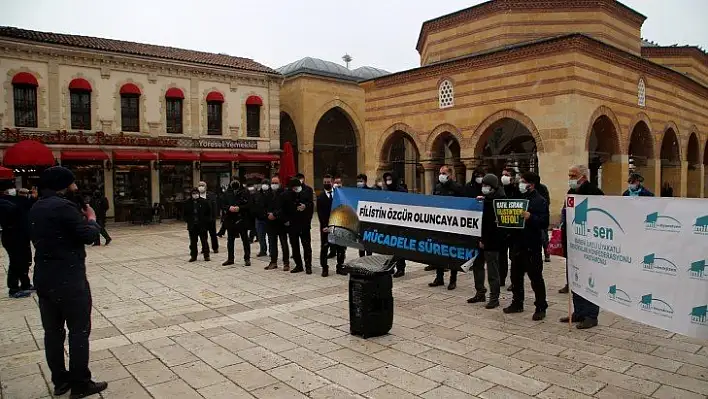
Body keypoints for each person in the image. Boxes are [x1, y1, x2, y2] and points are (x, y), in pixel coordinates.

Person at [29, 166, 107, 398]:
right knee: (78, 331)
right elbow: (89, 235)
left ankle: (60, 381)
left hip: (44, 276)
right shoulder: (64, 207)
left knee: (52, 332)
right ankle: (81, 383)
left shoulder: (36, 207)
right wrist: (92, 219)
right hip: (69, 277)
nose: (76, 187)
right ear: (64, 185)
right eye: (73, 183)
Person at [560, 164, 603, 329]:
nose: (570, 178)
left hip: (588, 243)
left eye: (573, 175)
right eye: (569, 175)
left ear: (583, 176)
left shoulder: (594, 193)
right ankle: (578, 312)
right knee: (575, 279)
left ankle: (591, 315)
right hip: (573, 242)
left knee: (589, 281)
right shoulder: (572, 193)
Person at [503, 171, 549, 321]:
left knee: (535, 277)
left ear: (531, 184)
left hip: (531, 245)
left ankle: (541, 306)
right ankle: (517, 302)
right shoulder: (519, 197)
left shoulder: (539, 200)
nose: (520, 184)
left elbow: (544, 222)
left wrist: (531, 217)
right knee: (515, 276)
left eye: (523, 181)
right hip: (517, 243)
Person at [467, 174, 504, 308]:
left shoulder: (499, 201)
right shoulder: (487, 199)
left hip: (492, 241)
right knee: (478, 266)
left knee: (492, 269)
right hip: (480, 239)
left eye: (486, 186)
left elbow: (493, 225)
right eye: (483, 185)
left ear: (493, 187)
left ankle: (494, 297)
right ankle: (480, 292)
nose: (484, 188)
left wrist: (485, 240)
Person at [428, 165, 465, 289]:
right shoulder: (438, 187)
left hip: (452, 226)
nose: (441, 175)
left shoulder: (457, 188)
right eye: (440, 173)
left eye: (443, 173)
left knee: (452, 253)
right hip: (439, 225)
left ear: (450, 174)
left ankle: (453, 280)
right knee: (438, 251)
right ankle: (439, 278)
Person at [0, 181, 34, 298]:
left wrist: (27, 197)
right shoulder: (4, 203)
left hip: (22, 235)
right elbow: (14, 210)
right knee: (16, 262)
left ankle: (25, 284)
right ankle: (13, 288)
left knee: (24, 260)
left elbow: (26, 206)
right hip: (12, 236)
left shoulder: (15, 200)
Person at [283, 178, 314, 274]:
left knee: (306, 246)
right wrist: (286, 220)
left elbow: (311, 205)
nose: (295, 189)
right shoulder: (286, 194)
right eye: (293, 188)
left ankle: (308, 266)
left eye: (297, 187)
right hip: (292, 225)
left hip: (304, 224)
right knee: (294, 246)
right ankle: (299, 265)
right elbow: (283, 208)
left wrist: (305, 207)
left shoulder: (307, 192)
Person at [317, 175, 345, 277]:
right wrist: (325, 226)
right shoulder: (320, 197)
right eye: (324, 182)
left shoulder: (339, 195)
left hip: (338, 225)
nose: (326, 184)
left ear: (332, 182)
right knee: (324, 248)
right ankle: (325, 268)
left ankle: (340, 266)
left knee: (340, 247)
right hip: (326, 227)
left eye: (328, 182)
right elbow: (320, 214)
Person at [383, 171, 408, 277]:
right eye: (386, 179)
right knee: (390, 246)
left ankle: (401, 268)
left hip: (399, 223)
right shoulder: (385, 191)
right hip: (389, 223)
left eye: (390, 179)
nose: (388, 181)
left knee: (399, 246)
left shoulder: (401, 191)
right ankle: (391, 266)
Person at [221, 179, 251, 266]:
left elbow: (249, 205)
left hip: (241, 219)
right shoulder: (227, 193)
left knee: (245, 240)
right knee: (230, 240)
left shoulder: (245, 192)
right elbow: (223, 205)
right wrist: (228, 208)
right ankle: (230, 259)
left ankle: (247, 258)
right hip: (230, 219)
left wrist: (240, 208)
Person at [264, 176, 290, 271]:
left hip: (281, 222)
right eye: (273, 183)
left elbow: (285, 208)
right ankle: (273, 261)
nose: (274, 185)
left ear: (280, 183)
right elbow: (264, 206)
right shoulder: (268, 194)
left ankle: (286, 263)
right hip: (270, 223)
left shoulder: (284, 193)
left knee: (284, 243)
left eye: (276, 183)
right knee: (272, 243)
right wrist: (267, 214)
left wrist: (275, 214)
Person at [499, 167, 518, 290]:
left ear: (512, 177)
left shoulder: (517, 191)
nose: (503, 177)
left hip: (514, 229)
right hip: (502, 229)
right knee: (501, 256)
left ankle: (514, 281)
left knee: (514, 257)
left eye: (506, 175)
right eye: (502, 174)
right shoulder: (500, 190)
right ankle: (501, 278)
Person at [183, 188, 211, 262]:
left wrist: (206, 221)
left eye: (196, 193)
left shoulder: (204, 202)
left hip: (202, 225)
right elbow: (184, 213)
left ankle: (206, 255)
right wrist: (188, 220)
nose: (195, 195)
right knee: (193, 242)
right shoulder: (187, 202)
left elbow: (208, 213)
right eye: (193, 193)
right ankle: (193, 256)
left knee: (204, 241)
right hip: (192, 225)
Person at [198, 181, 219, 253]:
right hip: (201, 219)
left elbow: (214, 206)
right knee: (203, 235)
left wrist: (214, 217)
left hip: (210, 218)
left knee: (213, 234)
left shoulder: (211, 195)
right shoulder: (197, 195)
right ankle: (205, 248)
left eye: (202, 185)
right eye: (200, 185)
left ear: (206, 187)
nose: (201, 187)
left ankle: (215, 248)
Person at [356, 174, 373, 257]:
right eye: (358, 181)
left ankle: (369, 260)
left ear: (365, 181)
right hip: (359, 222)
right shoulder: (355, 192)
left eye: (361, 181)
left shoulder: (370, 192)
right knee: (360, 244)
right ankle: (362, 260)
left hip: (368, 222)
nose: (359, 183)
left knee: (369, 244)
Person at [253, 179, 270, 257]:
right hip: (259, 219)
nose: (264, 185)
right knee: (260, 236)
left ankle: (272, 250)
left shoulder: (272, 194)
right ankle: (263, 250)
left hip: (269, 219)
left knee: (271, 237)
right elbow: (254, 205)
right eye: (263, 183)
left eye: (266, 184)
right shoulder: (257, 194)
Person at [536, 178, 551, 263]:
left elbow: (547, 201)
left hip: (542, 216)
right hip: (534, 217)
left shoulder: (542, 188)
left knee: (544, 237)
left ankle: (547, 253)